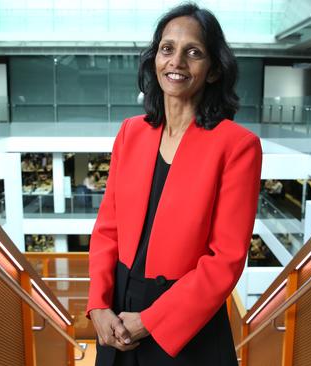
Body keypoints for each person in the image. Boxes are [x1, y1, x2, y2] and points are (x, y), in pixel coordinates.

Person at [86, 4, 262, 366]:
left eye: (193, 52)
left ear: (213, 70)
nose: (176, 61)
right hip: (117, 314)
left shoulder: (237, 145)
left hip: (187, 324)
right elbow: (107, 230)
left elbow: (226, 259)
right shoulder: (130, 132)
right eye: (167, 49)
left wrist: (151, 321)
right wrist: (99, 305)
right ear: (155, 59)